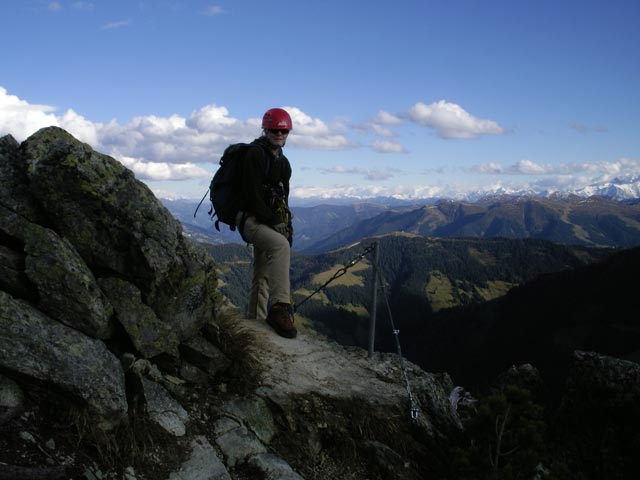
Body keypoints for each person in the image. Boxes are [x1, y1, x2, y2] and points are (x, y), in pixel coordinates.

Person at [235, 107, 296, 338]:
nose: (279, 135)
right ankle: (280, 307)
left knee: (262, 273)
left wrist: (285, 224)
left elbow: (283, 199)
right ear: (265, 130)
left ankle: (255, 321)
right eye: (274, 130)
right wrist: (273, 221)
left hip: (267, 221)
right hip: (250, 220)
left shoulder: (284, 163)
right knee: (280, 246)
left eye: (284, 132)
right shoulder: (254, 155)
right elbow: (251, 196)